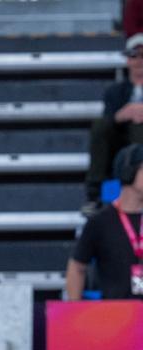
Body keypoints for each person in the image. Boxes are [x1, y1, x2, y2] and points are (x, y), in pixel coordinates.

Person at [69, 143, 143, 300]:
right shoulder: (100, 222)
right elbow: (77, 267)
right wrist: (73, 312)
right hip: (115, 317)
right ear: (129, 172)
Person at [85, 34, 143, 214]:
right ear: (127, 59)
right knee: (101, 129)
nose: (140, 60)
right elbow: (107, 120)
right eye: (135, 55)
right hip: (119, 145)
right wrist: (122, 115)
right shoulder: (115, 91)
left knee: (138, 129)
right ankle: (99, 196)